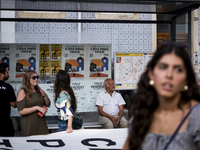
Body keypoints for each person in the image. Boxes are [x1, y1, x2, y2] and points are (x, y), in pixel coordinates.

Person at [122, 43, 200, 150]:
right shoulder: (142, 112)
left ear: (186, 79)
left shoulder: (196, 115)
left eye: (178, 69)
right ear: (151, 73)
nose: (169, 75)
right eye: (163, 67)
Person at [17, 70, 51, 136]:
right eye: (33, 77)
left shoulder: (38, 89)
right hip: (29, 124)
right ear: (27, 79)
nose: (36, 79)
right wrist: (36, 108)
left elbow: (48, 104)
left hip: (41, 122)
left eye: (37, 77)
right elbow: (21, 111)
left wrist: (45, 95)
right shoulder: (22, 91)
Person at [0, 63, 17, 136]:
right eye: (7, 72)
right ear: (1, 74)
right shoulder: (7, 87)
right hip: (4, 123)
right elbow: (14, 104)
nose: (8, 74)